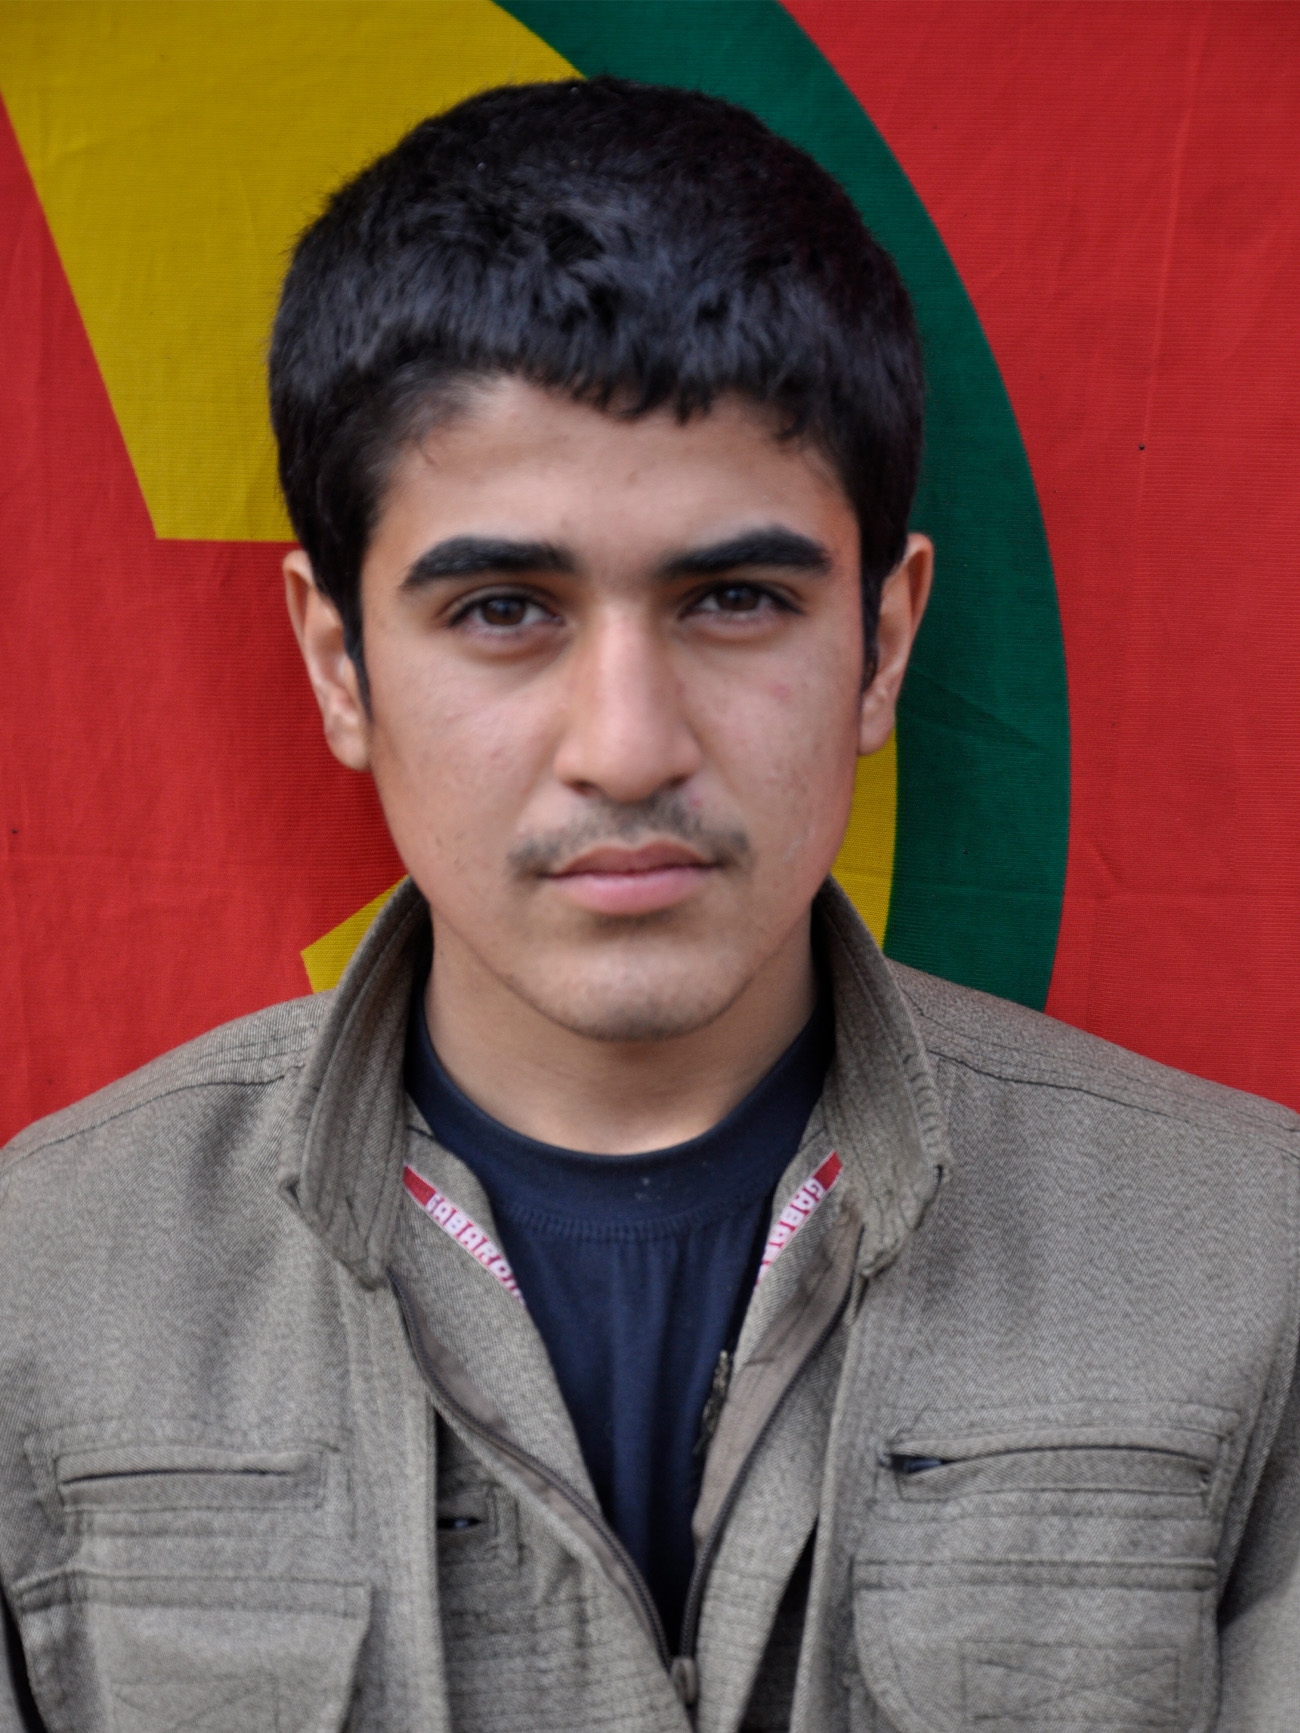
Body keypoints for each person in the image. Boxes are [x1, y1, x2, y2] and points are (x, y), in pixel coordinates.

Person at [1, 75, 1296, 1733]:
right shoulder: (39, 1287)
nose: (627, 746)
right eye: (503, 608)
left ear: (884, 643)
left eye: (735, 598)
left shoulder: (1253, 1262)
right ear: (339, 664)